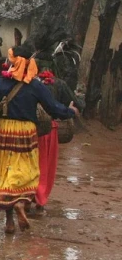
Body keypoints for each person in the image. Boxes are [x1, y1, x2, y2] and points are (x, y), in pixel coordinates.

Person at [0, 46, 79, 234]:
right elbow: (53, 109)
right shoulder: (35, 86)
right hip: (26, 134)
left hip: (3, 132)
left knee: (5, 174)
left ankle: (9, 222)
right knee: (28, 173)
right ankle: (21, 202)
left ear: (11, 61)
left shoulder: (0, 84)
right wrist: (70, 111)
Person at [34, 69, 81, 211]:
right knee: (45, 165)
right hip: (48, 130)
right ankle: (39, 197)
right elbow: (72, 105)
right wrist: (71, 109)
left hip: (27, 129)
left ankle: (24, 194)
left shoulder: (26, 83)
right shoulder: (59, 84)